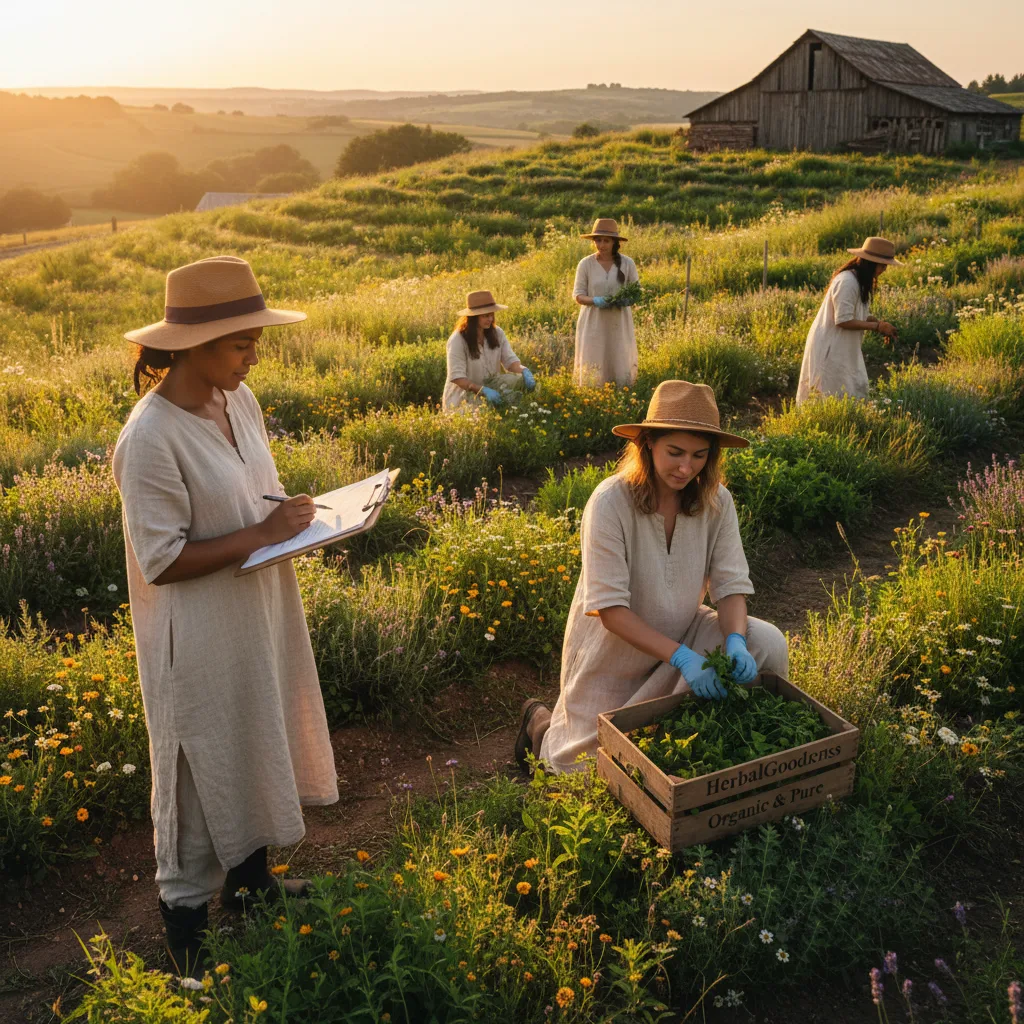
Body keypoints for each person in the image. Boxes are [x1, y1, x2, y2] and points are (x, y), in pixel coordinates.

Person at [112, 256, 339, 976]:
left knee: (254, 731)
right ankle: (185, 929)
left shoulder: (238, 400)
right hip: (199, 632)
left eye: (254, 342)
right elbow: (162, 560)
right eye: (241, 344)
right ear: (191, 347)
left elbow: (249, 494)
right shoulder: (149, 438)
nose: (253, 355)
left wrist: (295, 517)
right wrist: (265, 536)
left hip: (256, 606)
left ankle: (252, 888)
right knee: (195, 761)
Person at [515, 379, 789, 774]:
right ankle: (539, 725)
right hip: (615, 653)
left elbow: (729, 587)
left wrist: (734, 641)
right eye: (674, 452)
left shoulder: (716, 501)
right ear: (647, 446)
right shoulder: (611, 502)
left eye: (699, 455)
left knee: (766, 642)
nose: (685, 468)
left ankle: (715, 734)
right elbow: (610, 611)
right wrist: (684, 659)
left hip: (683, 633)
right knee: (585, 767)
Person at [796, 236, 901, 404]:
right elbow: (843, 320)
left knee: (846, 391)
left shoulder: (859, 281)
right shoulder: (847, 282)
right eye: (882, 266)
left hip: (843, 345)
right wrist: (876, 326)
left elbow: (856, 314)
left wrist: (881, 324)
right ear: (871, 263)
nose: (884, 270)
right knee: (829, 393)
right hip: (831, 345)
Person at [572, 217, 640, 388]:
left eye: (606, 241)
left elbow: (636, 291)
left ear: (614, 242)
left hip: (619, 320)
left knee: (618, 353)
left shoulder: (627, 263)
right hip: (593, 321)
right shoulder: (585, 264)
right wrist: (596, 300)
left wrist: (626, 299)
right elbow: (578, 295)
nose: (601, 245)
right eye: (598, 240)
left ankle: (621, 390)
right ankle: (593, 392)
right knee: (594, 354)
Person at [442, 290, 536, 411]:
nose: (490, 319)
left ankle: (516, 407)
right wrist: (482, 390)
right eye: (485, 316)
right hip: (464, 395)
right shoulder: (458, 340)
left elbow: (510, 362)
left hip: (491, 385)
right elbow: (457, 378)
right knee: (480, 413)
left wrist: (524, 371)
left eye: (491, 315)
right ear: (473, 318)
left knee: (521, 382)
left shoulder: (497, 333)